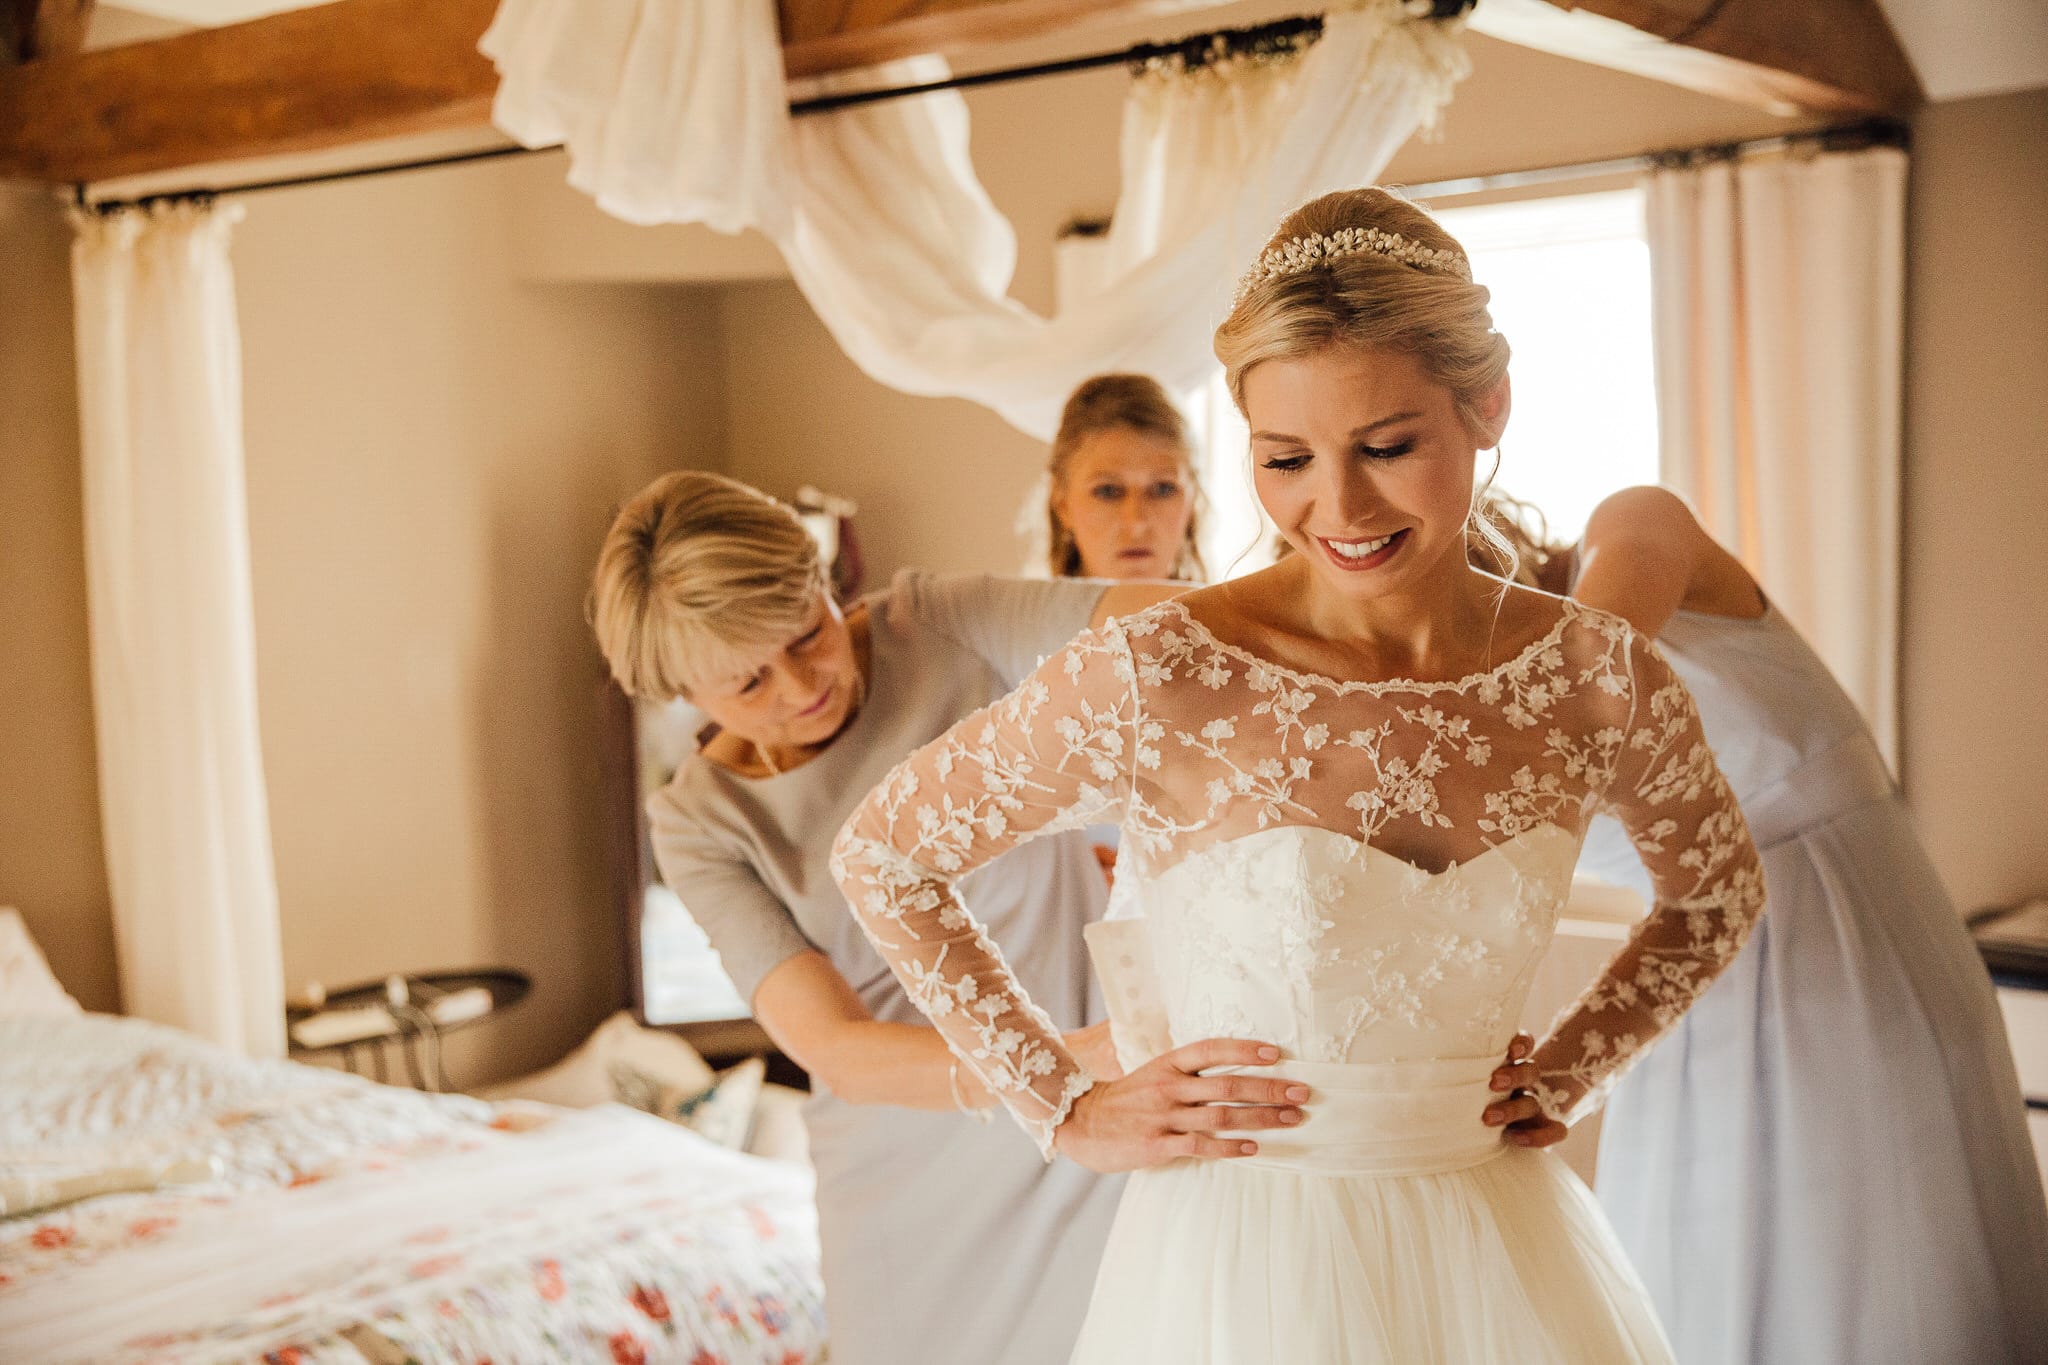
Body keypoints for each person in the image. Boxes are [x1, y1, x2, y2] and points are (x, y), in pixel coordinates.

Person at [830, 187, 1765, 1363]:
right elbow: (887, 853)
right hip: (1238, 1267)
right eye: (1285, 460)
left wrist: (1577, 1061)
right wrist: (1057, 1102)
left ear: (1486, 406)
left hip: (1502, 1255)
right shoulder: (1160, 668)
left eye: (1386, 447)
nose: (1338, 506)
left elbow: (1714, 893)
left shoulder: (1590, 674)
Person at [587, 471, 1167, 1365]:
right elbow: (834, 1046)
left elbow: (1182, 622)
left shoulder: (941, 623)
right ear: (685, 696)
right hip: (910, 1166)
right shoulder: (701, 823)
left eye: (808, 630)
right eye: (747, 682)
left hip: (1098, 1113)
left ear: (825, 581)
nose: (801, 684)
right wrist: (1040, 1067)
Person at [1477, 486, 2048, 1365]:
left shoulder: (1634, 528)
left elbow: (1581, 676)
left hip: (1857, 971)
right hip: (1689, 1008)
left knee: (1877, 1275)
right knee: (1710, 1293)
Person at [1043, 373, 1206, 582]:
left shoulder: (1235, 614)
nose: (1136, 524)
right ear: (1062, 503)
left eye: (1163, 489)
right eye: (1108, 491)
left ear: (1192, 499)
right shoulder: (1011, 612)